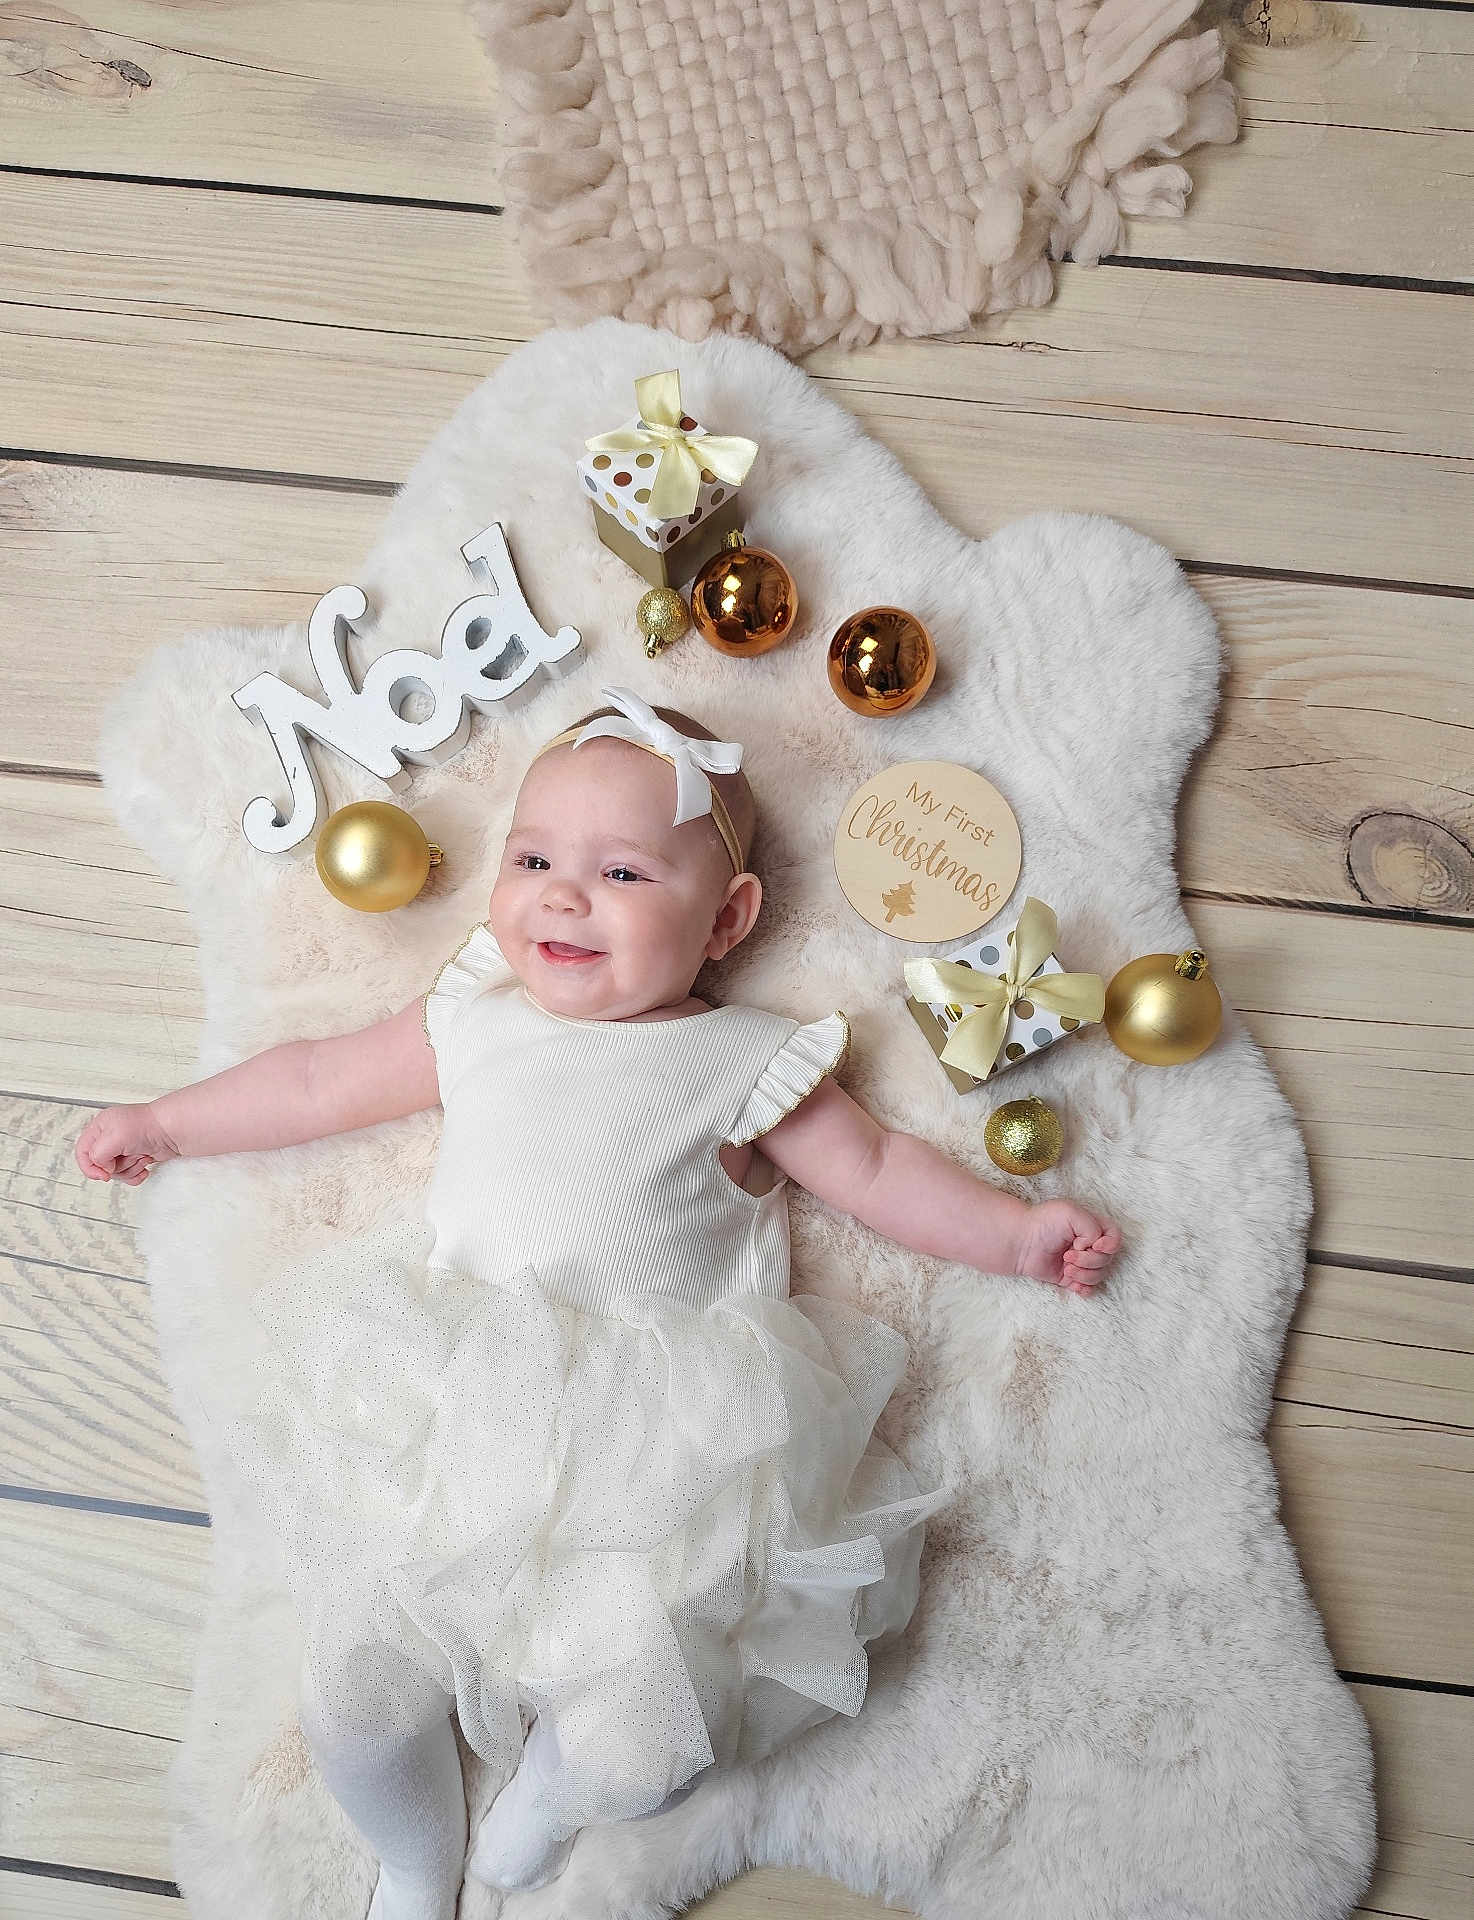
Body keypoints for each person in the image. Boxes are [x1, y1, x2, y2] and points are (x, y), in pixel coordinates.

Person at [76, 684, 1120, 1919]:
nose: (563, 897)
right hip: (450, 1409)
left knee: (650, 1740)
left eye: (622, 873)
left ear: (727, 918)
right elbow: (312, 1082)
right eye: (532, 861)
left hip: (653, 1460)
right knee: (350, 1702)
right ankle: (412, 1859)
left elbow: (882, 1172)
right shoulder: (475, 1016)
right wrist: (168, 1124)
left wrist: (1015, 1236)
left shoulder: (746, 1060)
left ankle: (554, 1797)